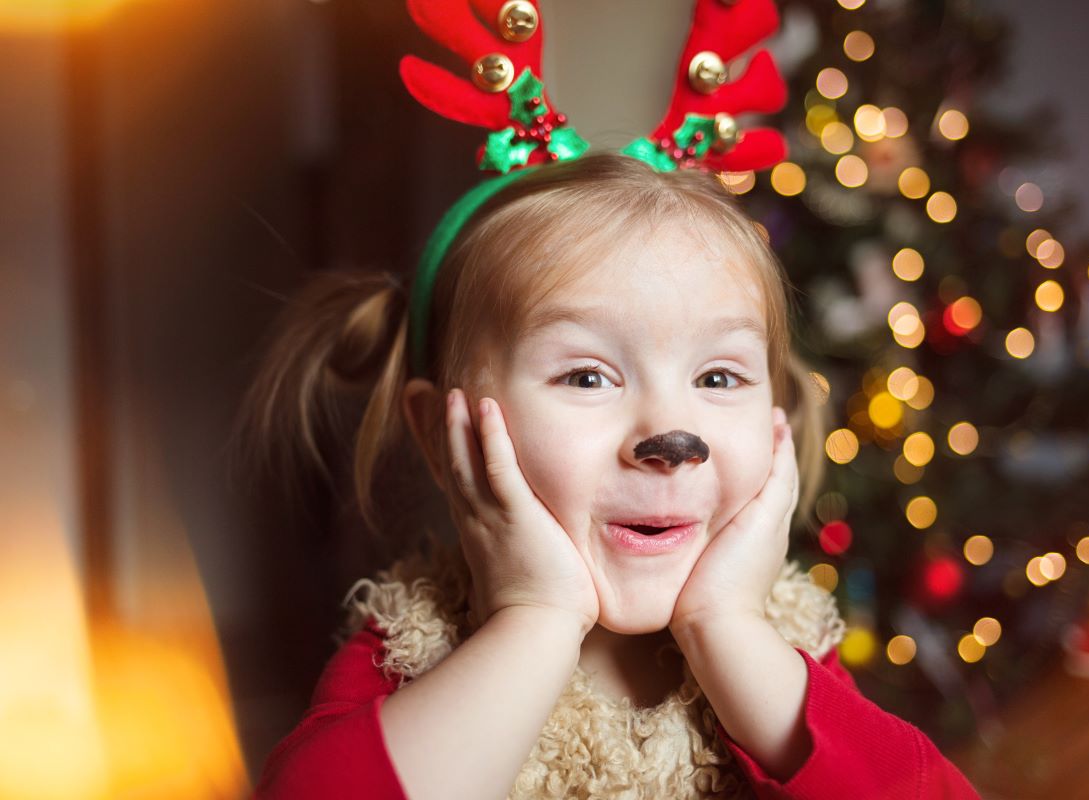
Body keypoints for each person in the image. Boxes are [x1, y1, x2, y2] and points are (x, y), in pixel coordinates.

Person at [245, 1, 982, 796]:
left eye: (717, 378)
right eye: (587, 376)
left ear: (777, 422)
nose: (672, 437)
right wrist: (535, 618)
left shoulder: (787, 643)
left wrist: (726, 631)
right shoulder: (408, 646)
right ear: (441, 430)